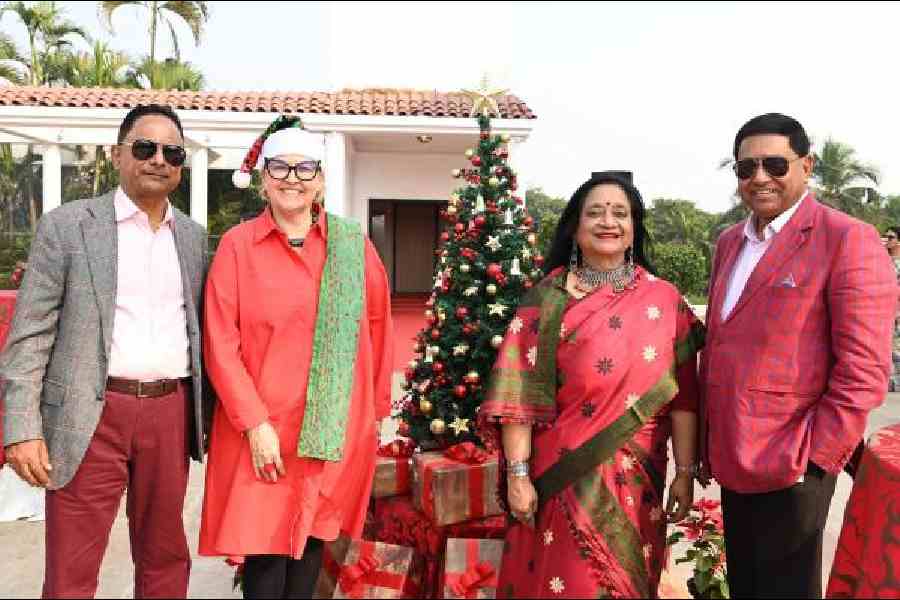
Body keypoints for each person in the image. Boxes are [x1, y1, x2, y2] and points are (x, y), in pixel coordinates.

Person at [0, 104, 209, 598]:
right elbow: (29, 333)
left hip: (170, 413)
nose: (158, 159)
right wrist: (22, 427)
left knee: (165, 560)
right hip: (88, 415)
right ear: (117, 155)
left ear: (181, 164)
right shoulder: (69, 226)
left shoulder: (194, 239)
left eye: (171, 151)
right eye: (144, 147)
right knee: (72, 568)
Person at [478, 172, 705, 599]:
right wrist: (518, 476)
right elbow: (517, 398)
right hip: (562, 480)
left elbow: (686, 398)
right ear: (576, 227)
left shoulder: (664, 301)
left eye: (620, 213)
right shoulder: (545, 300)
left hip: (639, 484)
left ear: (634, 227)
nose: (608, 222)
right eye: (595, 212)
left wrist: (685, 474)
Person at [700, 113, 897, 598]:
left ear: (806, 166)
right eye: (747, 168)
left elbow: (865, 368)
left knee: (785, 589)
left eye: (775, 164)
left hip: (795, 458)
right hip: (734, 450)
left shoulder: (846, 238)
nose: (760, 177)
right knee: (748, 583)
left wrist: (816, 458)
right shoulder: (731, 242)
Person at [199, 116, 393, 599]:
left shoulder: (353, 247)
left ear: (321, 180)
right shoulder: (237, 247)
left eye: (305, 169)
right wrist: (254, 423)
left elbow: (378, 331)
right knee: (263, 552)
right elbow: (220, 342)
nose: (293, 179)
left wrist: (370, 418)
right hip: (260, 431)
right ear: (263, 181)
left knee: (310, 543)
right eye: (280, 169)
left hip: (328, 427)